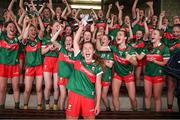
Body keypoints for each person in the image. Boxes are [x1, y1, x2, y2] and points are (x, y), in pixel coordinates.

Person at [66, 23, 103, 119]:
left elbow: (98, 85)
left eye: (90, 48)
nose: (87, 50)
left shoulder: (97, 66)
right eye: (85, 48)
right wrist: (81, 28)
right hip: (74, 94)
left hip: (88, 96)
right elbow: (75, 41)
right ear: (82, 52)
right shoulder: (78, 59)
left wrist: (98, 103)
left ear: (94, 51)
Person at [96, 30, 138, 111]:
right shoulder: (114, 47)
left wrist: (131, 60)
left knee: (132, 98)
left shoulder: (130, 49)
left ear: (125, 38)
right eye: (117, 35)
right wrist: (98, 39)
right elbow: (99, 48)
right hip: (117, 74)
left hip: (128, 75)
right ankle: (117, 114)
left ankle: (135, 111)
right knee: (115, 97)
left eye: (120, 34)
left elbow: (136, 63)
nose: (117, 36)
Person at [136, 29, 170, 112]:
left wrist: (155, 61)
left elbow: (165, 63)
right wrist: (131, 50)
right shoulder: (148, 46)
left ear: (160, 37)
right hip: (147, 75)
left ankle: (157, 116)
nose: (152, 35)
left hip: (158, 75)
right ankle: (148, 115)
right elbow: (139, 57)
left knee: (156, 97)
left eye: (155, 34)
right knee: (147, 95)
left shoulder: (164, 48)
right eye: (152, 34)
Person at [22, 13, 45, 110]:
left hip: (39, 67)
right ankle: (25, 105)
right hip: (29, 67)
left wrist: (38, 17)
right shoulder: (25, 41)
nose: (33, 31)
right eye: (31, 30)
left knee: (39, 88)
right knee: (27, 89)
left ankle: (39, 106)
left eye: (34, 30)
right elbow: (24, 35)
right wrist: (27, 25)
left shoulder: (38, 40)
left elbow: (42, 30)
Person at [0, 21, 22, 109]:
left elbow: (23, 35)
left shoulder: (17, 39)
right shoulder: (2, 37)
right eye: (10, 26)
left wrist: (23, 23)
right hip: (3, 65)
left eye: (13, 27)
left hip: (14, 65)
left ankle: (17, 107)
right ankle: (1, 108)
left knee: (16, 87)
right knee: (2, 88)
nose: (12, 28)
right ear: (5, 28)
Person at [96, 35, 114, 111]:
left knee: (103, 95)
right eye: (102, 39)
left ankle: (108, 109)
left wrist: (101, 60)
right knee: (96, 94)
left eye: (104, 39)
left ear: (108, 41)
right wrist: (105, 61)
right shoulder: (97, 51)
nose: (102, 40)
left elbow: (110, 65)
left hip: (106, 75)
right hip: (98, 75)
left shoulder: (110, 52)